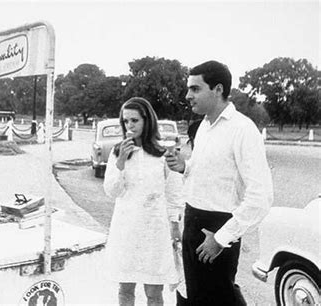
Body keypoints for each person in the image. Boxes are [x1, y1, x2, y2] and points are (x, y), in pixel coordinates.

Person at [165, 61, 273, 305]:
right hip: (192, 222)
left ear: (218, 89)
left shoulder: (243, 130)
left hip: (216, 229)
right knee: (192, 296)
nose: (187, 95)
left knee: (219, 298)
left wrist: (222, 238)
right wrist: (185, 167)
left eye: (195, 89)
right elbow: (212, 174)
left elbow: (261, 197)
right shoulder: (203, 126)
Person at [103, 97, 184, 305]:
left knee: (154, 291)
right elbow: (112, 191)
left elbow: (175, 193)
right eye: (126, 121)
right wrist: (121, 161)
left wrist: (174, 225)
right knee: (125, 289)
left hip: (153, 229)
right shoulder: (117, 152)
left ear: (147, 121)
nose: (130, 126)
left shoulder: (162, 153)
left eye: (135, 121)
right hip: (126, 227)